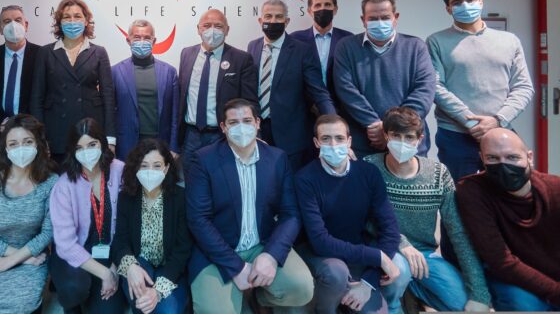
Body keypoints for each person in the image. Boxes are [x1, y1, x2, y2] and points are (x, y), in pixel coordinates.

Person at [186, 98, 313, 314]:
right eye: (233, 122)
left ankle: (258, 296)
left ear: (257, 123)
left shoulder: (277, 158)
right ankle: (239, 299)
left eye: (246, 120)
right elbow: (198, 219)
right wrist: (236, 267)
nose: (241, 127)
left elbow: (291, 214)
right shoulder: (203, 160)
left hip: (262, 244)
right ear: (223, 127)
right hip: (217, 251)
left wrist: (271, 255)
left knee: (301, 288)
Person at [364, 107, 490, 312]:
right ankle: (394, 304)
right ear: (386, 136)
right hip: (384, 248)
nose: (402, 143)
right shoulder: (369, 167)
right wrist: (402, 244)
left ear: (419, 139)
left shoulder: (438, 174)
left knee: (460, 303)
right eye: (396, 136)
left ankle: (412, 291)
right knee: (399, 272)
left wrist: (479, 294)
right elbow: (366, 218)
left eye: (409, 137)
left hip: (424, 254)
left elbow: (457, 231)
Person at [427, 0, 534, 181]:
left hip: (501, 130)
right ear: (448, 9)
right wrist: (471, 122)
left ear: (481, 2)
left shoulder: (509, 40)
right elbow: (436, 87)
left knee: (509, 189)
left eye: (470, 0)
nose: (465, 5)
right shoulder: (436, 41)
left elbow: (523, 87)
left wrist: (497, 120)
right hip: (456, 135)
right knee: (460, 192)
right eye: (457, 2)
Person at [295, 114, 401, 314]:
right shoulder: (305, 179)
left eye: (339, 138)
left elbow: (390, 231)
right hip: (319, 254)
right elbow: (320, 241)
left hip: (355, 253)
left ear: (349, 141)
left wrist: (368, 282)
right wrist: (377, 256)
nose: (333, 144)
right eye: (326, 139)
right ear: (317, 143)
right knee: (336, 273)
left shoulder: (368, 173)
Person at [0, 114, 60, 314]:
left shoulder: (51, 182)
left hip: (33, 255)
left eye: (27, 142)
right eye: (13, 144)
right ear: (5, 149)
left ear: (38, 145)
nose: (20, 148)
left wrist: (12, 261)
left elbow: (47, 233)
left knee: (22, 305)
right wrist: (18, 257)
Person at [457, 129, 560, 311]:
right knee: (523, 307)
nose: (503, 165)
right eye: (493, 158)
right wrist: (556, 293)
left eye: (512, 157)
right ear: (482, 159)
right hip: (511, 277)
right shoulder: (472, 190)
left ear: (529, 157)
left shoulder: (555, 188)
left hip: (553, 273)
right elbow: (501, 261)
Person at [333, 0, 435, 157]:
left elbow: (424, 90)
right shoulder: (346, 47)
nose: (379, 22)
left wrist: (391, 128)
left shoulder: (416, 47)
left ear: (396, 17)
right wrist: (374, 125)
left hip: (408, 142)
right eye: (373, 18)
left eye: (385, 17)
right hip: (364, 141)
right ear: (363, 20)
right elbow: (346, 90)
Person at [247, 0, 336, 169]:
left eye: (279, 17)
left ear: (287, 21)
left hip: (290, 137)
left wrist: (334, 124)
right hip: (257, 132)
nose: (273, 21)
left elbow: (319, 92)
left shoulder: (302, 50)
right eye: (268, 16)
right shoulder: (253, 47)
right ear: (260, 20)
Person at [49, 118, 126, 314]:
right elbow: (66, 244)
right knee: (74, 288)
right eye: (79, 148)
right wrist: (105, 274)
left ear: (102, 143)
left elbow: (130, 224)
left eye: (92, 144)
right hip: (75, 254)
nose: (87, 152)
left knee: (109, 310)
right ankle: (72, 306)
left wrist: (116, 266)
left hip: (111, 253)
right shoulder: (64, 185)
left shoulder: (120, 171)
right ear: (72, 151)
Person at [31, 0, 116, 163]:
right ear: (59, 22)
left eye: (77, 16)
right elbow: (37, 98)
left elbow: (108, 97)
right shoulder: (46, 52)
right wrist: (39, 137)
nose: (72, 21)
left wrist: (110, 138)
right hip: (56, 131)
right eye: (67, 17)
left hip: (90, 130)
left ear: (86, 21)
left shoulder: (99, 52)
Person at [113, 138, 191, 314]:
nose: (150, 171)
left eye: (157, 166)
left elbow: (183, 249)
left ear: (167, 168)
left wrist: (157, 291)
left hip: (171, 266)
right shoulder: (126, 197)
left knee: (167, 311)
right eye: (144, 166)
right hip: (139, 262)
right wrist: (130, 267)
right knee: (142, 303)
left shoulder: (180, 198)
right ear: (136, 168)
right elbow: (120, 240)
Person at [178, 9, 258, 173]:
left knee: (221, 180)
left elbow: (249, 101)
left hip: (222, 135)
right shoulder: (187, 54)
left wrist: (252, 134)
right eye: (207, 25)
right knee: (190, 180)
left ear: (227, 30)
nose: (212, 30)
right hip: (191, 135)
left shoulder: (241, 59)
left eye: (218, 26)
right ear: (198, 29)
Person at [0, 5, 40, 170]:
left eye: (18, 20)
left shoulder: (42, 56)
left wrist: (26, 124)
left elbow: (45, 96)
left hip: (31, 135)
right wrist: (2, 122)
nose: (13, 25)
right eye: (7, 21)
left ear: (26, 25)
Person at [111, 20, 179, 161]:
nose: (142, 42)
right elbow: (110, 112)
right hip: (127, 143)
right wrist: (111, 143)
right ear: (128, 40)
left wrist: (174, 146)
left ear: (154, 41)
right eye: (137, 37)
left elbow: (175, 115)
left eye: (147, 38)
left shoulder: (169, 72)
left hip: (160, 143)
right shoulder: (115, 72)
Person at [290, 0, 354, 94]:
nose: (322, 8)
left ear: (335, 9)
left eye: (327, 5)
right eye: (317, 5)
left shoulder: (348, 39)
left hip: (339, 102)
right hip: (305, 102)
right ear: (310, 11)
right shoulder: (295, 39)